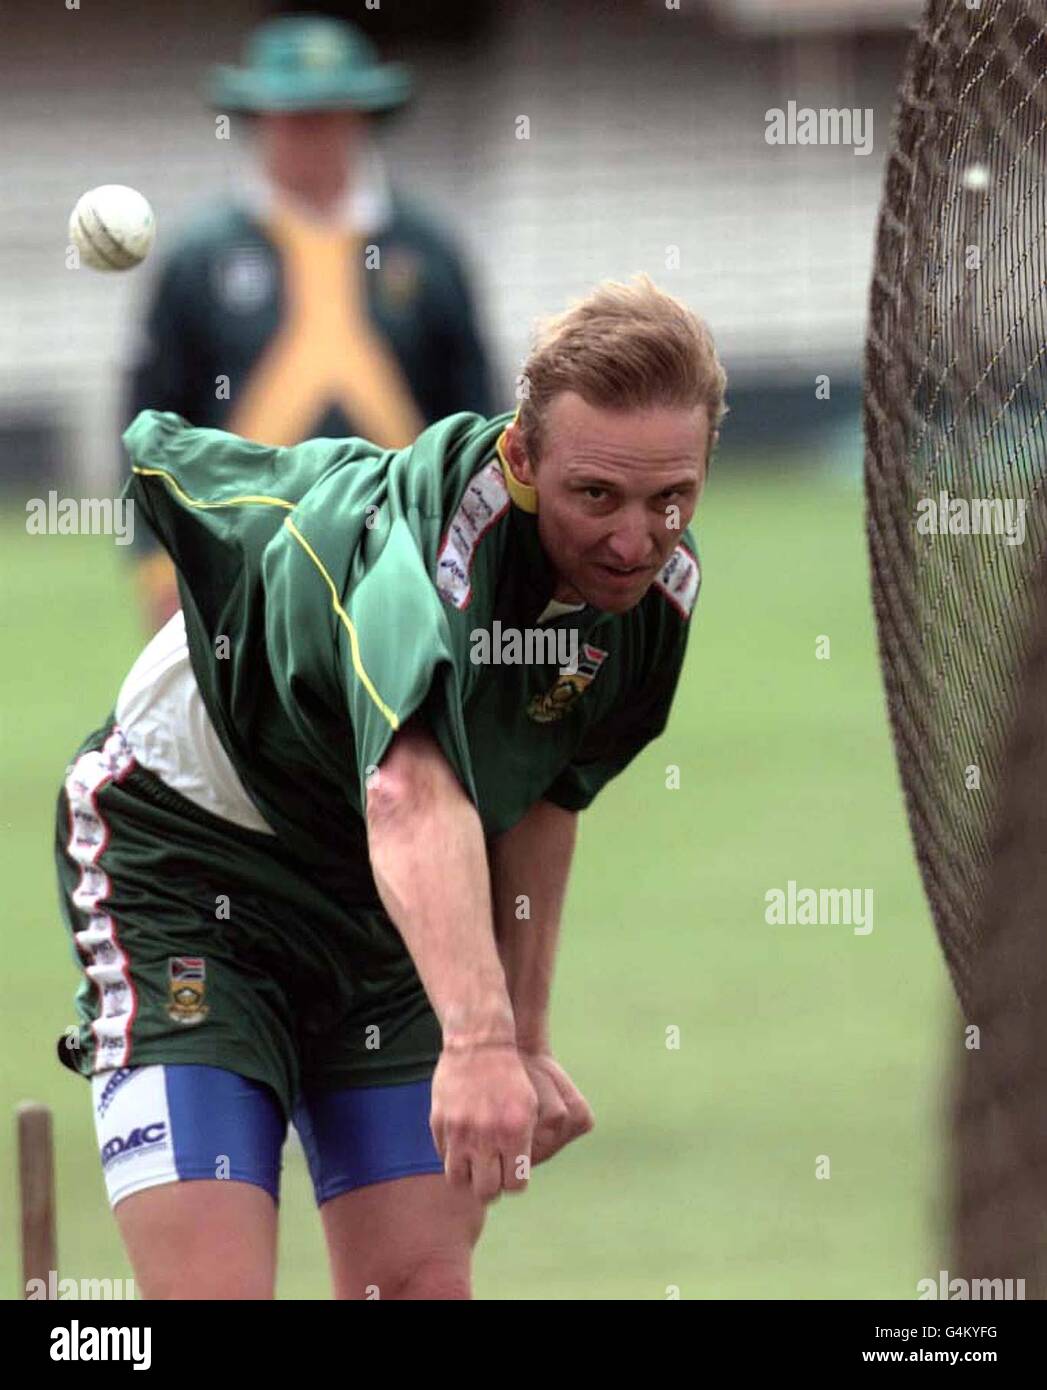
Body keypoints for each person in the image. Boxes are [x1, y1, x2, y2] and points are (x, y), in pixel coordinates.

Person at [56, 276, 726, 1300]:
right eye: (598, 495)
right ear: (524, 459)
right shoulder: (422, 557)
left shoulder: (652, 604)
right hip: (191, 862)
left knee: (414, 1284)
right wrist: (479, 1037)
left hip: (392, 896)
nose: (636, 539)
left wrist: (528, 1038)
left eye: (670, 498)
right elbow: (409, 794)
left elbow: (546, 792)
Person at [126, 13, 494, 630]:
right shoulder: (199, 256)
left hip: (402, 546)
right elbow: (156, 417)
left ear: (362, 117)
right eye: (294, 115)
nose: (312, 133)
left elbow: (470, 407)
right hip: (240, 547)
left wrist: (476, 542)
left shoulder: (427, 249)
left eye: (329, 113)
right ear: (259, 120)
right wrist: (159, 565)